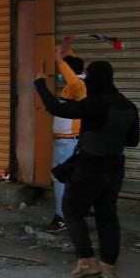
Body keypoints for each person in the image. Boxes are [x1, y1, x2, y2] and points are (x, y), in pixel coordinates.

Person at [35, 61, 139, 278]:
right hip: (115, 166)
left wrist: (40, 83)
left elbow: (57, 109)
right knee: (107, 215)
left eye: (88, 76)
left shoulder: (96, 104)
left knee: (71, 209)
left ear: (95, 79)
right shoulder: (129, 106)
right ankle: (108, 267)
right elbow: (133, 141)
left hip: (91, 165)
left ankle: (86, 261)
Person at [46, 39, 87, 232]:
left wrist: (57, 57)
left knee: (61, 179)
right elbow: (73, 63)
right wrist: (66, 48)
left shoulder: (78, 85)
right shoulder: (78, 82)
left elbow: (70, 73)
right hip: (68, 142)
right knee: (70, 179)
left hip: (69, 142)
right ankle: (72, 212)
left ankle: (62, 217)